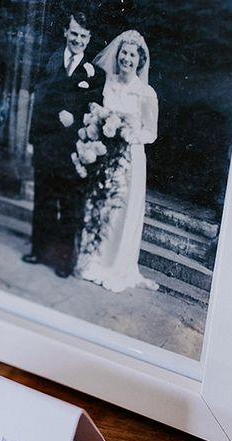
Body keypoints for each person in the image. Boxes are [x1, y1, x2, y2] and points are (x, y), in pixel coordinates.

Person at [77, 30, 160, 293]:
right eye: (123, 52)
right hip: (105, 154)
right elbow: (99, 113)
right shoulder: (108, 83)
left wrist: (129, 134)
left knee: (122, 209)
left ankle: (116, 265)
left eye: (132, 54)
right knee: (100, 205)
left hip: (130, 157)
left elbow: (151, 132)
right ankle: (94, 260)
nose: (126, 58)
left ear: (140, 60)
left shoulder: (146, 92)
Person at [24, 12, 105, 278]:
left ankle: (64, 260)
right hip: (47, 142)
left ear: (89, 38)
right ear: (65, 33)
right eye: (74, 34)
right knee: (44, 199)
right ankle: (39, 250)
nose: (78, 40)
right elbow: (39, 103)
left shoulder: (95, 74)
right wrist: (32, 141)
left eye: (83, 36)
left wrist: (76, 117)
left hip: (74, 149)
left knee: (70, 204)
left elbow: (96, 111)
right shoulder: (49, 62)